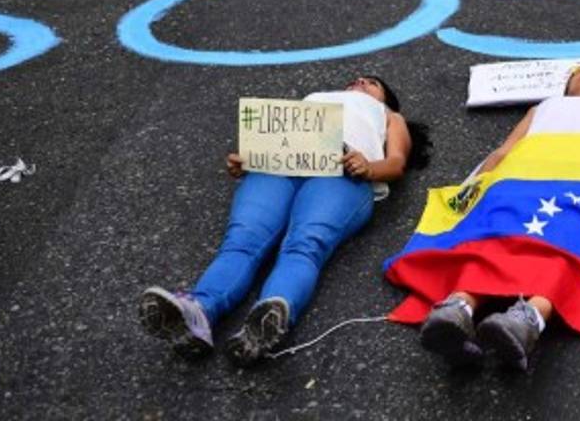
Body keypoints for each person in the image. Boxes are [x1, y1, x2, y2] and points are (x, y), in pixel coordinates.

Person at [139, 74, 430, 364]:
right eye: (356, 79)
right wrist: (247, 159)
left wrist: (368, 168)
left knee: (304, 244)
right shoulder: (317, 98)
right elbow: (275, 135)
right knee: (242, 239)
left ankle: (271, 315)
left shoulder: (389, 116)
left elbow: (396, 164)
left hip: (344, 176)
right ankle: (198, 311)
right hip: (278, 166)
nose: (360, 82)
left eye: (371, 82)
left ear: (386, 99)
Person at [418, 63, 580, 370]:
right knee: (499, 227)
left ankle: (529, 316)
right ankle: (459, 306)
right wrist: (476, 189)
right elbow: (506, 149)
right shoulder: (542, 108)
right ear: (566, 89)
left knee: (570, 236)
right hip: (527, 170)